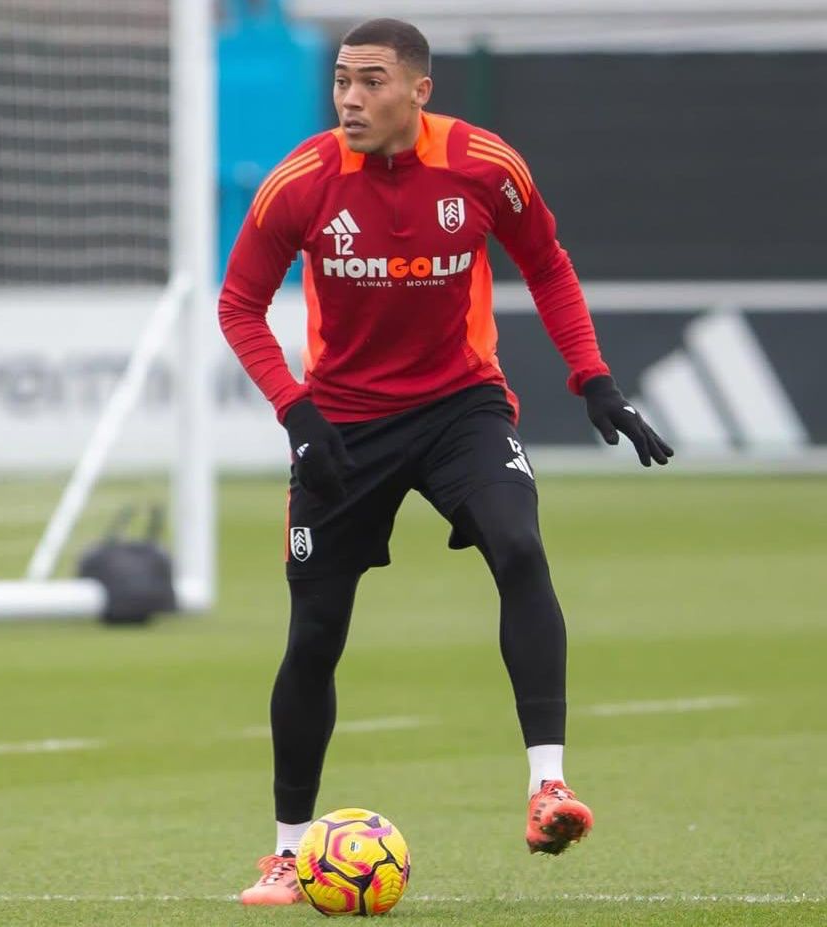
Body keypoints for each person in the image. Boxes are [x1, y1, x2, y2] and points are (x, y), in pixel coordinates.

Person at [218, 17, 673, 906]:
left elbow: (547, 264)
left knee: (520, 546)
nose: (350, 98)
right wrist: (297, 412)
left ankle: (548, 787)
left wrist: (595, 380)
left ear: (419, 91)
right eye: (342, 80)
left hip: (461, 405)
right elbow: (239, 305)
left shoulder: (483, 165)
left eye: (371, 81)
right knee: (315, 633)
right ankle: (286, 853)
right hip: (344, 422)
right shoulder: (301, 182)